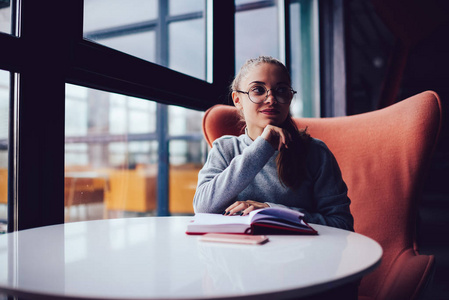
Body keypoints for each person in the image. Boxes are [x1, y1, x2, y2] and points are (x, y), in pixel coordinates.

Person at [193, 56, 353, 231]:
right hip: (237, 252)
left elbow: (342, 224)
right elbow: (202, 208)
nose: (271, 99)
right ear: (237, 100)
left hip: (300, 254)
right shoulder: (225, 149)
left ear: (290, 97)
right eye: (258, 90)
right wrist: (262, 147)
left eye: (281, 90)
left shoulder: (315, 152)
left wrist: (273, 211)